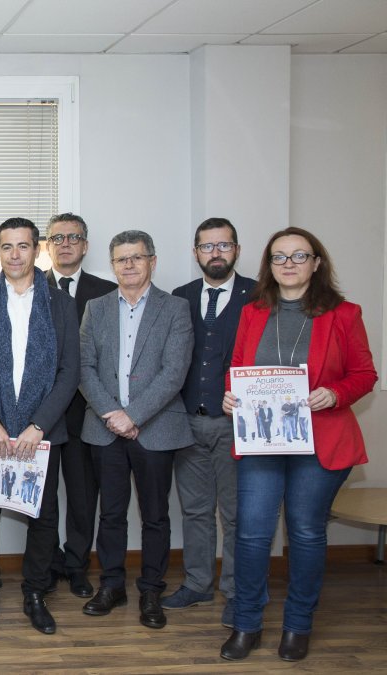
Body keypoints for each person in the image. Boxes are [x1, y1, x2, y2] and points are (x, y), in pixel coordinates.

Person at [219, 227, 377, 662]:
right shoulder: (253, 312)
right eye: (278, 257)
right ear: (268, 266)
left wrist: (335, 394)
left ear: (316, 263)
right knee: (251, 535)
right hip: (262, 439)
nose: (288, 264)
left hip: (320, 442)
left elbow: (364, 374)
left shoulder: (344, 314)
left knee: (306, 534)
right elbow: (237, 366)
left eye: (298, 256)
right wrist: (231, 396)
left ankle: (297, 626)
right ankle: (247, 624)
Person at [0, 218, 79, 634]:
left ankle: (35, 592)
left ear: (37, 250)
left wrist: (38, 426)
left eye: (23, 246)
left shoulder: (61, 303)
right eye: (7, 246)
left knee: (44, 517)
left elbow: (69, 372)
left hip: (41, 434)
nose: (15, 254)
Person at [78, 230, 191, 630]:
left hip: (155, 429)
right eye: (121, 259)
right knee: (110, 514)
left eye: (136, 258)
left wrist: (134, 415)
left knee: (156, 515)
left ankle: (150, 590)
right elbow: (85, 367)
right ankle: (111, 585)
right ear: (112, 265)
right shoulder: (96, 307)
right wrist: (111, 412)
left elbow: (174, 372)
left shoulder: (175, 308)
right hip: (105, 428)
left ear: (152, 262)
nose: (128, 265)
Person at [164, 218, 254, 626]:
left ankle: (236, 591)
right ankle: (198, 584)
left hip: (238, 424)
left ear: (236, 249)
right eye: (207, 246)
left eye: (223, 245)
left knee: (236, 513)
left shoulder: (259, 297)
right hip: (188, 423)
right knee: (196, 510)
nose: (215, 253)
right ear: (195, 251)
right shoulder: (180, 298)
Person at [43, 213, 116, 598]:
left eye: (74, 237)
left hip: (87, 414)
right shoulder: (30, 285)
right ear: (48, 246)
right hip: (39, 415)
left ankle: (76, 564)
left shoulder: (107, 292)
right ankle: (47, 561)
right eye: (58, 238)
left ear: (85, 245)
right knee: (40, 495)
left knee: (83, 497)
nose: (66, 243)